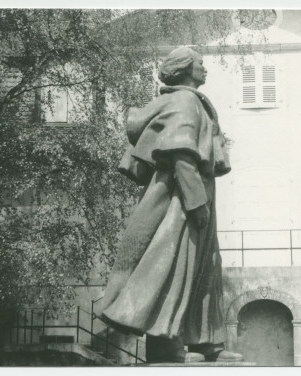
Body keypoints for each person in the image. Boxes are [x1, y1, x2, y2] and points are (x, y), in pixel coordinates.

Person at [99, 47, 243, 363]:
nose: (205, 68)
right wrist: (196, 203)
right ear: (185, 68)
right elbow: (181, 153)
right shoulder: (185, 100)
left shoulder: (185, 100)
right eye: (200, 63)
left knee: (200, 268)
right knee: (178, 268)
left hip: (189, 194)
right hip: (182, 199)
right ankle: (173, 343)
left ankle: (203, 342)